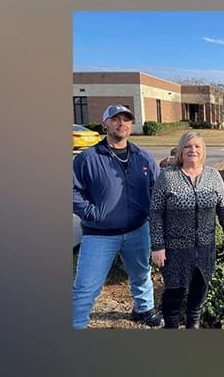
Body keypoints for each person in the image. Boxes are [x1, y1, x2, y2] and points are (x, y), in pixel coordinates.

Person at [72, 105, 163, 329]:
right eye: (115, 119)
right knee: (87, 286)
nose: (121, 123)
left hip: (137, 231)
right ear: (105, 124)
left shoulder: (143, 157)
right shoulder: (88, 158)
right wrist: (92, 214)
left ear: (131, 125)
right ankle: (76, 323)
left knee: (141, 275)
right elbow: (72, 190)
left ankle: (143, 309)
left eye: (126, 119)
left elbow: (158, 188)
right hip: (99, 235)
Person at [150, 131, 224, 329]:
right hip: (175, 250)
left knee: (198, 297)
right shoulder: (168, 177)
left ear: (203, 151)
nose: (193, 150)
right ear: (181, 150)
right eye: (188, 146)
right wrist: (158, 246)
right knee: (174, 296)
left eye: (197, 146)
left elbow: (223, 208)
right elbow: (155, 212)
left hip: (205, 249)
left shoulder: (213, 176)